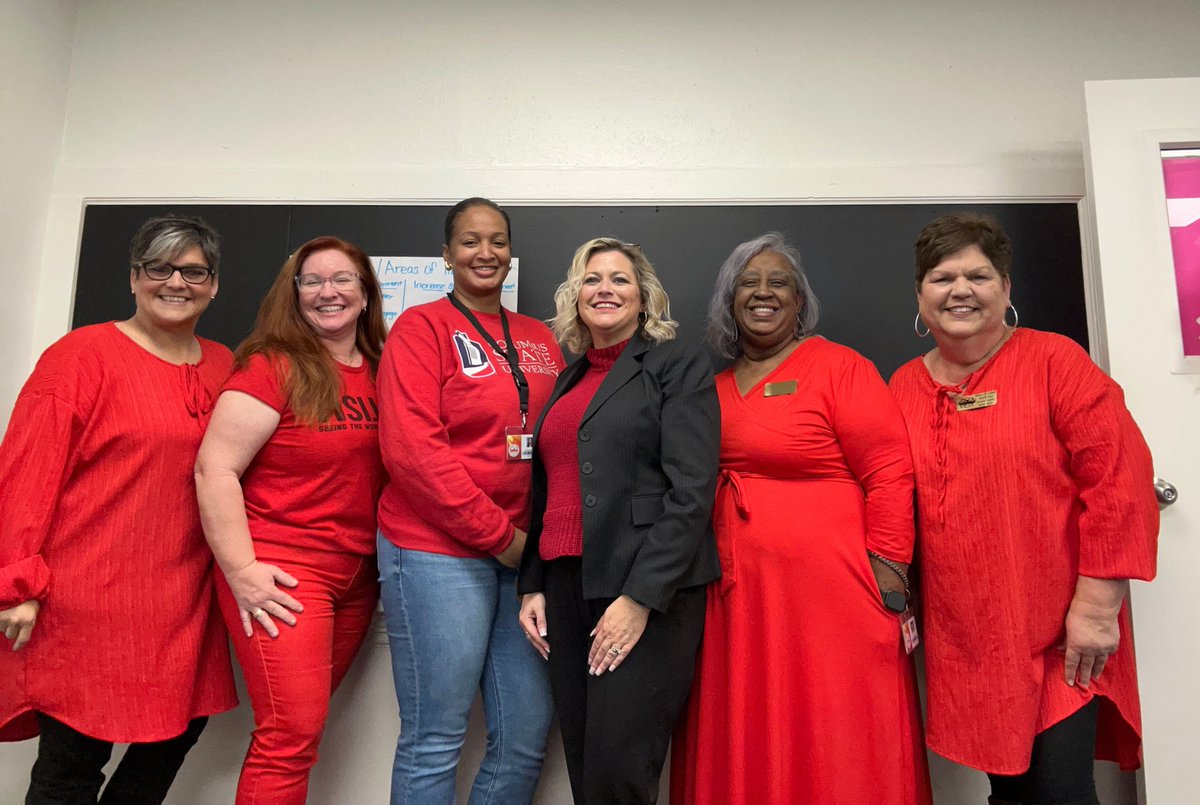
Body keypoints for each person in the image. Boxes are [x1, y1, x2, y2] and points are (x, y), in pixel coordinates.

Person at [889, 213, 1158, 805]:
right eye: (942, 278)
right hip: (967, 637)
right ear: (920, 295)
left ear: (1006, 288)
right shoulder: (902, 386)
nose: (960, 290)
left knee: (1060, 791)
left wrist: (1098, 607)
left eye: (978, 276)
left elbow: (1120, 481)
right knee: (1009, 791)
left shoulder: (1054, 361)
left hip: (1061, 629)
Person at [669, 232, 931, 804]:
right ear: (729, 301)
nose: (763, 293)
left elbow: (890, 472)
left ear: (799, 300)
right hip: (735, 599)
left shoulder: (840, 368)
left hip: (836, 596)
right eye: (749, 283)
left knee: (835, 727)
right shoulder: (708, 389)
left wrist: (890, 576)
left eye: (779, 283)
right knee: (749, 724)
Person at [0, 215, 238, 803]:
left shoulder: (224, 366)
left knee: (179, 731)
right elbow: (26, 472)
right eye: (159, 268)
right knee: (73, 762)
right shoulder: (80, 356)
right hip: (89, 597)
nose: (175, 282)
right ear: (134, 278)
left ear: (213, 285)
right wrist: (16, 581)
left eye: (193, 271)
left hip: (186, 601)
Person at [517, 238, 720, 804]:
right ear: (575, 296)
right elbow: (550, 487)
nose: (604, 289)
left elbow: (691, 491)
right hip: (565, 586)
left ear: (644, 297)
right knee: (585, 767)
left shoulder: (676, 365)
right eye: (591, 279)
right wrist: (533, 582)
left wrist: (639, 599)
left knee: (619, 772)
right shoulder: (569, 377)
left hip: (644, 588)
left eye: (619, 279)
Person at [376, 197, 564, 804]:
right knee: (435, 737)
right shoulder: (420, 328)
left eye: (497, 241)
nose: (486, 253)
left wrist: (532, 547)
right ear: (447, 254)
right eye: (470, 241)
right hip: (437, 552)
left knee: (525, 738)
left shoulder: (540, 338)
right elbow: (414, 454)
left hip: (524, 562)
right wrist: (502, 538)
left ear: (511, 252)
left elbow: (563, 439)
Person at [195, 235, 387, 804]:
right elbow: (214, 469)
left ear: (365, 293)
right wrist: (241, 570)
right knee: (289, 736)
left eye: (342, 279)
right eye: (313, 281)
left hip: (357, 579)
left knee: (298, 728)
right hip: (285, 574)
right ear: (294, 293)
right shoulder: (272, 366)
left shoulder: (383, 369)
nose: (329, 292)